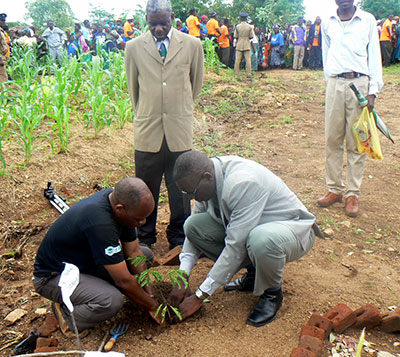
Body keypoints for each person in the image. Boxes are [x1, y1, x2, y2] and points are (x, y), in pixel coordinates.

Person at [167, 151, 317, 327]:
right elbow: (193, 231)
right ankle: (254, 275)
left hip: (291, 231)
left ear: (207, 177)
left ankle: (272, 293)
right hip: (252, 228)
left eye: (191, 192)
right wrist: (182, 276)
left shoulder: (242, 183)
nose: (191, 197)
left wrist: (200, 296)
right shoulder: (206, 179)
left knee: (261, 240)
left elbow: (235, 246)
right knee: (193, 225)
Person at [33, 178, 162, 336]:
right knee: (111, 300)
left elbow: (134, 251)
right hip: (54, 276)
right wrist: (153, 306)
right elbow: (123, 281)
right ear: (120, 208)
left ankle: (93, 291)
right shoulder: (100, 223)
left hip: (85, 263)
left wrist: (149, 294)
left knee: (145, 256)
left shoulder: (118, 204)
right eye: (138, 218)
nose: (143, 222)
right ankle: (67, 314)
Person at [125, 0, 204, 250]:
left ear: (172, 17)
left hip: (179, 128)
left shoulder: (192, 45)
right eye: (153, 23)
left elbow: (195, 83)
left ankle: (179, 237)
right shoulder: (134, 47)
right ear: (146, 19)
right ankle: (145, 237)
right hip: (148, 130)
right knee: (145, 187)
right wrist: (149, 112)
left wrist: (177, 109)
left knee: (180, 186)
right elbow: (133, 90)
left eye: (163, 22)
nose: (158, 29)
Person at [318, 0, 383, 217]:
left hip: (360, 85)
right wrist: (330, 83)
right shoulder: (327, 23)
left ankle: (352, 193)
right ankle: (334, 189)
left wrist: (372, 91)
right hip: (335, 83)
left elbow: (374, 56)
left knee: (357, 140)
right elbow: (326, 56)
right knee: (332, 139)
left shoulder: (367, 20)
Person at [234, 12, 255, 77]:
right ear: (246, 18)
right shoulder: (250, 27)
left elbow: (235, 36)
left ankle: (236, 73)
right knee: (248, 60)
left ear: (240, 18)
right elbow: (251, 36)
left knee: (237, 60)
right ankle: (248, 73)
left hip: (239, 43)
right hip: (247, 44)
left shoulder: (237, 26)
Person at [0, 16, 9, 83]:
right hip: (0, 57)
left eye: (4, 21)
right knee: (3, 78)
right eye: (2, 21)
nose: (4, 22)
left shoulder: (1, 31)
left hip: (3, 56)